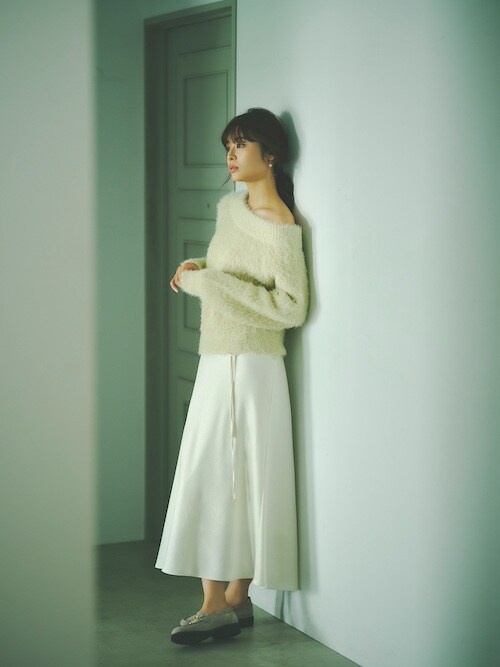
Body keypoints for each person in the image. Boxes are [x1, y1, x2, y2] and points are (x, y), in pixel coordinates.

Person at [154, 107, 309, 645]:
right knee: (219, 474)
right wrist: (199, 268)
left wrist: (208, 285)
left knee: (230, 477)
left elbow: (291, 306)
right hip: (218, 359)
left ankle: (219, 602)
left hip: (251, 364)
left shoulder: (281, 225)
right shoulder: (231, 209)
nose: (231, 156)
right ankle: (232, 601)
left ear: (271, 154)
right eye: (228, 146)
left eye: (241, 145)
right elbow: (231, 272)